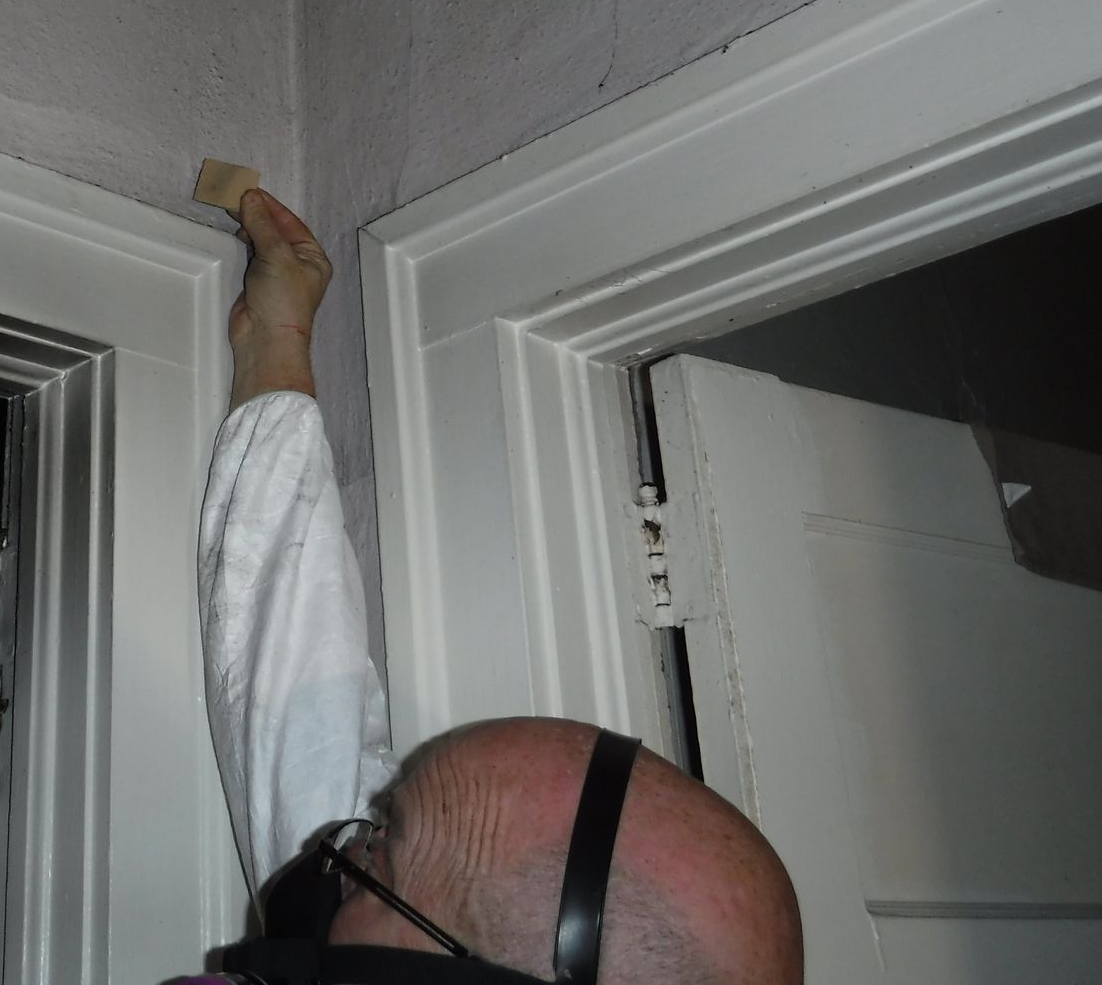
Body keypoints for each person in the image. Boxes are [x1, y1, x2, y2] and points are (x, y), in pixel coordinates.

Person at [193, 189, 804, 984]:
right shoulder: (385, 924)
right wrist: (278, 352)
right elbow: (307, 746)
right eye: (374, 831)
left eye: (377, 848)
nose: (331, 856)